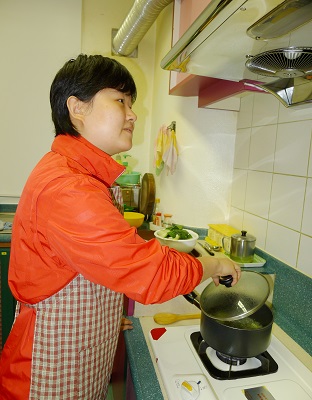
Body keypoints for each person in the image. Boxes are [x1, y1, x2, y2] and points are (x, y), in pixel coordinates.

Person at [0, 54, 240, 399]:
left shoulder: (78, 174)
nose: (132, 114)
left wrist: (103, 317)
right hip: (47, 369)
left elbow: (93, 266)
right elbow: (148, 273)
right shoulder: (70, 187)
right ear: (77, 108)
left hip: (74, 348)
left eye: (131, 103)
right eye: (121, 100)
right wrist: (213, 264)